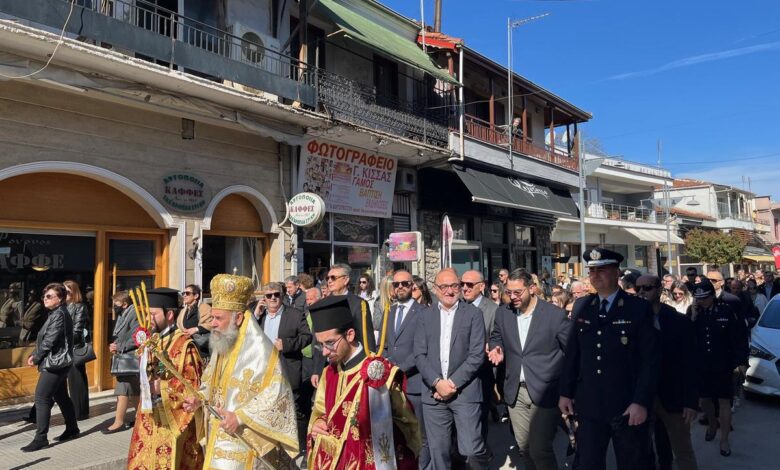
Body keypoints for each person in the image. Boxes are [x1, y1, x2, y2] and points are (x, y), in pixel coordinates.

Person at [182, 273, 299, 469]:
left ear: (237, 318)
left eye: (218, 318)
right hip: (217, 438)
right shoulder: (223, 342)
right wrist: (199, 399)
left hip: (246, 442)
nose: (213, 324)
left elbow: (278, 398)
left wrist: (239, 417)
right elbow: (211, 384)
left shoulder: (262, 352)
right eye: (212, 317)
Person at [559, 248, 660, 470]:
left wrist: (641, 401)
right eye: (592, 271)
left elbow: (650, 360)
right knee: (588, 462)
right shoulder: (583, 306)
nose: (595, 275)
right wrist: (566, 392)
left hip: (626, 405)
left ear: (617, 273)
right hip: (590, 404)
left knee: (634, 462)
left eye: (601, 270)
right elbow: (573, 353)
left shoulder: (637, 307)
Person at [307, 295, 421, 469]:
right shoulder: (328, 373)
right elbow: (320, 411)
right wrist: (317, 423)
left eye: (330, 343)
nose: (324, 352)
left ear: (350, 334)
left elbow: (408, 424)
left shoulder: (380, 373)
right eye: (320, 344)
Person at [488, 270, 570, 470]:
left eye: (518, 292)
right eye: (509, 292)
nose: (513, 297)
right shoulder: (503, 313)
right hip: (516, 390)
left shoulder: (554, 315)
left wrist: (569, 389)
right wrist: (496, 347)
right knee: (524, 449)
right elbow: (496, 335)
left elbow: (573, 352)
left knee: (540, 448)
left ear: (532, 288)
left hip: (545, 391)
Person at [414, 268, 490, 470]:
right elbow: (419, 355)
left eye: (454, 285)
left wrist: (451, 384)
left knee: (472, 450)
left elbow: (477, 355)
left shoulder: (474, 314)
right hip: (433, 395)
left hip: (465, 393)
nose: (450, 290)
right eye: (444, 286)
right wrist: (437, 383)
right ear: (436, 289)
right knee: (439, 453)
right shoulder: (424, 316)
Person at [126, 287, 204, 470]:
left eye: (152, 314)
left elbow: (194, 386)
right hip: (148, 418)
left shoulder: (185, 346)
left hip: (173, 421)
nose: (147, 320)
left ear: (169, 315)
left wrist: (160, 387)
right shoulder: (151, 342)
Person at [636, 275, 699, 470]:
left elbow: (690, 363)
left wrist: (690, 401)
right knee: (647, 450)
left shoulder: (678, 321)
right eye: (638, 289)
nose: (641, 293)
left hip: (673, 396)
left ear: (659, 290)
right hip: (643, 397)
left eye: (646, 288)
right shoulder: (633, 320)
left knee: (682, 450)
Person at [254, 281, 312, 450]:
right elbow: (248, 335)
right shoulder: (260, 316)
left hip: (287, 367)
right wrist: (256, 315)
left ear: (283, 296)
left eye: (276, 295)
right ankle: (272, 444)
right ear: (264, 298)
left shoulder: (294, 314)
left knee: (293, 409)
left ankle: (298, 447)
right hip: (265, 370)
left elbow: (307, 336)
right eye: (269, 295)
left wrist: (286, 344)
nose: (273, 298)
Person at [21, 283, 79, 452]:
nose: (44, 299)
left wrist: (37, 357)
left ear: (60, 299)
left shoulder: (59, 314)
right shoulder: (56, 313)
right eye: (44, 296)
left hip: (55, 363)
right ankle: (72, 429)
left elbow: (50, 340)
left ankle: (41, 438)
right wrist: (35, 353)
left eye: (49, 296)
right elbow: (45, 338)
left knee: (41, 398)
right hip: (58, 362)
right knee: (61, 396)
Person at [688, 279, 742, 457]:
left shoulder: (726, 311)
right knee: (705, 401)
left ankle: (724, 439)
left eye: (704, 298)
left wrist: (741, 362)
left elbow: (737, 338)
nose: (701, 301)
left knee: (724, 401)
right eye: (698, 298)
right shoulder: (694, 313)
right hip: (702, 365)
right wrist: (694, 317)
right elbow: (688, 337)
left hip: (723, 364)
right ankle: (712, 423)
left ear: (712, 296)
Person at [383, 270, 429, 467]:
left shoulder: (424, 312)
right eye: (396, 284)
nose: (400, 287)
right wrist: (385, 367)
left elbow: (423, 349)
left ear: (412, 286)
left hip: (414, 382)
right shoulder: (390, 311)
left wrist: (399, 369)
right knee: (398, 434)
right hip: (391, 384)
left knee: (419, 434)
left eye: (405, 283)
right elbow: (385, 345)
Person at [311, 264, 377, 389]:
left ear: (346, 280)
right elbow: (318, 341)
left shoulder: (358, 304)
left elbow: (367, 338)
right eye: (327, 278)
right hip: (328, 366)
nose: (329, 281)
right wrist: (316, 369)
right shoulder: (322, 303)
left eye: (333, 277)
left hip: (352, 366)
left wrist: (370, 367)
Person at [461, 269, 499, 437]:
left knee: (479, 418)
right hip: (457, 371)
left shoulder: (492, 309)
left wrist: (489, 346)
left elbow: (497, 337)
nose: (465, 288)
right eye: (462, 284)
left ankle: (480, 455)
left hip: (482, 372)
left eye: (469, 284)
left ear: (482, 286)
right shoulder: (457, 305)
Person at [104, 291, 140, 434]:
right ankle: (140, 418)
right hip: (124, 356)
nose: (114, 307)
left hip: (130, 357)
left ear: (125, 304)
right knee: (135, 390)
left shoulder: (134, 314)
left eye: (116, 304)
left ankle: (118, 421)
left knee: (123, 390)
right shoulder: (123, 315)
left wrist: (120, 346)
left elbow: (137, 335)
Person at [64, 280, 90, 420]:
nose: (65, 294)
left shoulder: (80, 307)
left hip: (74, 348)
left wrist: (60, 338)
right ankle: (35, 414)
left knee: (77, 380)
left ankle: (80, 412)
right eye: (62, 291)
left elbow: (77, 330)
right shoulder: (61, 307)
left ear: (74, 293)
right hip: (62, 350)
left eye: (67, 291)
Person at [176, 283, 212, 359]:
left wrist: (196, 329)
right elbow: (179, 326)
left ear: (196, 296)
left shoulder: (204, 308)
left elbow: (211, 324)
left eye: (187, 293)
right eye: (183, 293)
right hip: (187, 351)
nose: (184, 295)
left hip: (202, 352)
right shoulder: (183, 311)